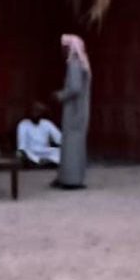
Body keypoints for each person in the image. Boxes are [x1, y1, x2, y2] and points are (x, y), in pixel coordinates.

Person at [54, 32, 91, 189]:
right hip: (79, 110)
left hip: (74, 111)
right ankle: (68, 177)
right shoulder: (82, 63)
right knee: (73, 146)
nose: (62, 51)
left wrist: (60, 95)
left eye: (65, 47)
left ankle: (71, 180)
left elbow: (75, 88)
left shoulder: (75, 64)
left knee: (72, 147)